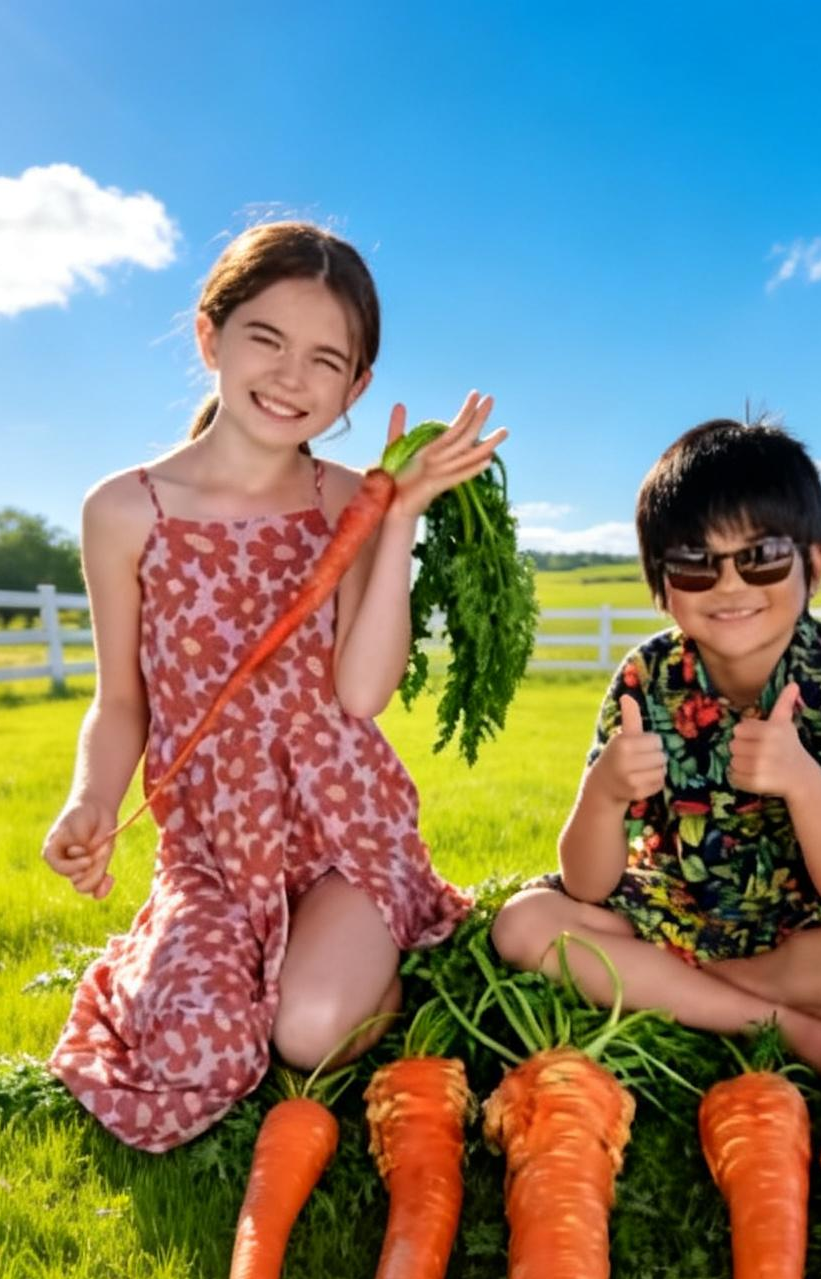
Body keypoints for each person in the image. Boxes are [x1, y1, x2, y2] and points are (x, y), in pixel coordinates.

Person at [40, 220, 503, 1153]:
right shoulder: (125, 510)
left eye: (326, 360)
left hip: (343, 827)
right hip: (214, 840)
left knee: (310, 1035)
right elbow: (121, 700)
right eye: (267, 340)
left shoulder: (346, 500)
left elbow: (364, 693)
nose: (292, 377)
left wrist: (399, 517)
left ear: (356, 387)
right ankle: (198, 953)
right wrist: (90, 802)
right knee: (191, 1054)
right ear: (210, 336)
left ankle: (380, 952)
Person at [492, 417, 821, 1090]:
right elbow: (586, 885)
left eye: (760, 557)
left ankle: (689, 992)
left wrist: (801, 780)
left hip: (802, 928)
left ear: (813, 563)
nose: (729, 586)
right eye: (695, 564)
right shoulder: (646, 677)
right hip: (668, 909)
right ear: (661, 582)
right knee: (522, 925)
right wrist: (605, 794)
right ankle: (778, 1021)